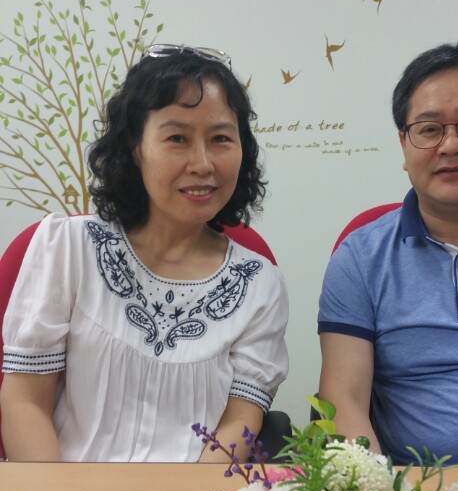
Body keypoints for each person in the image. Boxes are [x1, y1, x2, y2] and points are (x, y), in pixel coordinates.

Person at [1, 45, 288, 462]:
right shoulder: (68, 247)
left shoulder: (259, 284)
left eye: (221, 139)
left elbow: (239, 423)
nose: (203, 164)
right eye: (177, 138)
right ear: (135, 146)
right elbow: (25, 402)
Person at [318, 41, 458, 467]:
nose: (451, 145)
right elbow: (343, 400)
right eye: (429, 129)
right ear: (404, 144)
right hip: (416, 490)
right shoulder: (361, 257)